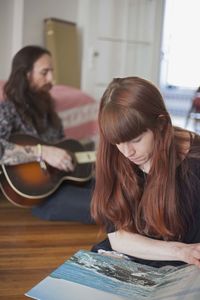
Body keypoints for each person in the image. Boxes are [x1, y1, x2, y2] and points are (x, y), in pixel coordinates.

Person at [91, 76, 200, 268]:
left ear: (161, 124)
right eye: (118, 141)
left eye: (136, 139)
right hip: (138, 249)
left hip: (184, 261)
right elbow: (118, 237)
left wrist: (184, 252)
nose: (127, 152)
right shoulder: (114, 154)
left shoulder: (194, 162)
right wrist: (179, 250)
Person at [0, 45, 93, 223]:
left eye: (52, 71)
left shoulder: (48, 108)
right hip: (39, 197)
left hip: (61, 182)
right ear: (26, 75)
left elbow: (62, 147)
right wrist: (43, 152)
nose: (52, 78)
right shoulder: (7, 110)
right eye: (44, 72)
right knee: (105, 205)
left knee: (115, 192)